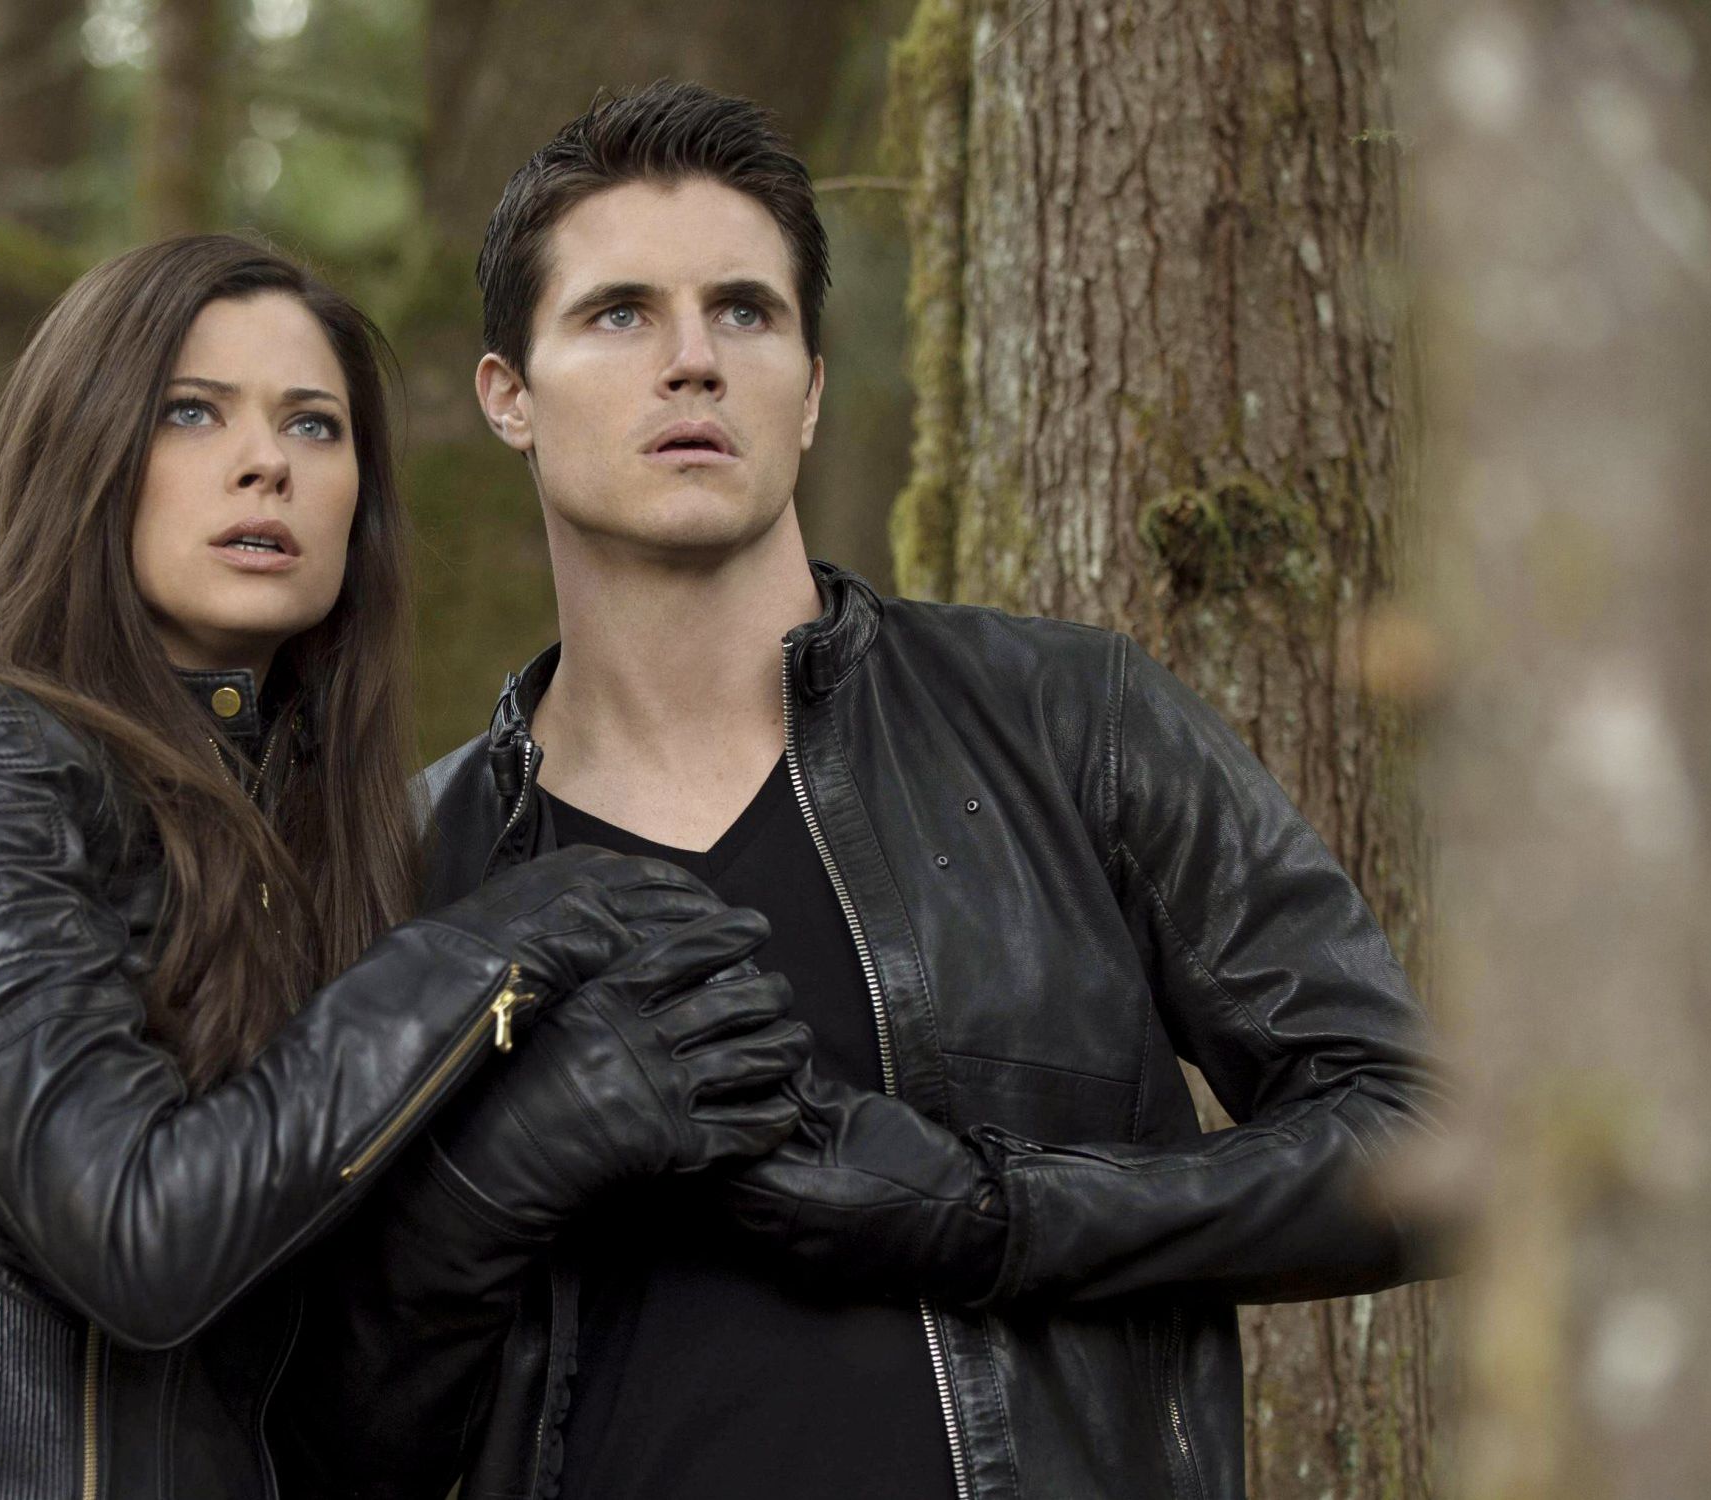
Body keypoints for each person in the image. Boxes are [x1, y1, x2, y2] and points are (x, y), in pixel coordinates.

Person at [273, 83, 1448, 1500]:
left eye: (745, 312)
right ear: (508, 396)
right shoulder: (404, 864)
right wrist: (485, 1192)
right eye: (621, 314)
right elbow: (312, 1434)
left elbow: (1422, 1140)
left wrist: (996, 1215)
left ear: (813, 388)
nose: (694, 362)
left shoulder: (1067, 723)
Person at [0, 234, 815, 1500]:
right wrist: (492, 947)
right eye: (191, 412)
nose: (267, 463)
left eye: (313, 426)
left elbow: (338, 1415)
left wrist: (530, 1152)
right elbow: (138, 1239)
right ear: (83, 452)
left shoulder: (310, 839)